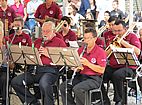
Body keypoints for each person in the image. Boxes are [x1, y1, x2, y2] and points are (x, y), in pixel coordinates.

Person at [11, 21, 66, 105]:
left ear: (53, 31)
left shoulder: (59, 42)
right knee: (16, 81)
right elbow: (30, 55)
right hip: (35, 70)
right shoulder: (37, 41)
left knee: (44, 83)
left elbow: (64, 60)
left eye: (47, 31)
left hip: (50, 71)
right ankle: (33, 102)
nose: (44, 33)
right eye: (43, 31)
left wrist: (48, 55)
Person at [60, 27, 108, 105]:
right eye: (84, 38)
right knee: (63, 87)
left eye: (88, 38)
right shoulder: (81, 50)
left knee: (78, 89)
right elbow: (78, 67)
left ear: (95, 39)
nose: (86, 41)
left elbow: (101, 70)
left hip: (94, 79)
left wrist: (88, 64)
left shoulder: (100, 52)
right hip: (81, 76)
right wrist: (75, 67)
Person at [103, 20, 141, 105]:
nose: (116, 33)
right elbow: (105, 55)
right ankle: (104, 99)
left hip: (129, 67)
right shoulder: (113, 38)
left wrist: (123, 42)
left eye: (119, 31)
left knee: (117, 75)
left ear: (125, 29)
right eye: (114, 31)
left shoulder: (132, 37)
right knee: (99, 73)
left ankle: (119, 100)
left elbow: (138, 52)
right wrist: (111, 48)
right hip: (114, 65)